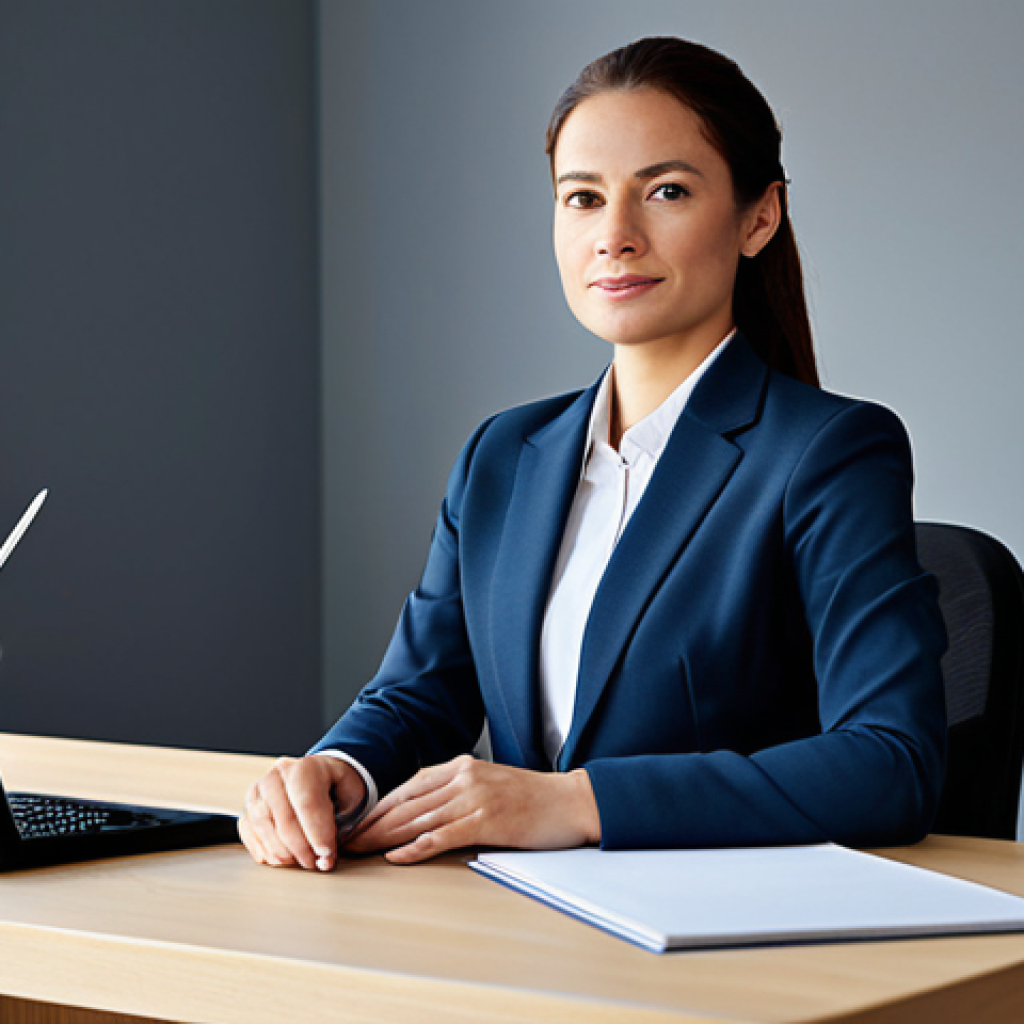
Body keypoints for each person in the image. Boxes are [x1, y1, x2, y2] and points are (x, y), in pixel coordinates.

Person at [239, 37, 947, 873]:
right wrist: (338, 770)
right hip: (518, 916)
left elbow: (891, 762)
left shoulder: (828, 452)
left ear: (759, 216)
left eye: (668, 192)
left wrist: (575, 802)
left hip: (715, 936)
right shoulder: (503, 454)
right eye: (582, 198)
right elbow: (419, 692)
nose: (615, 236)